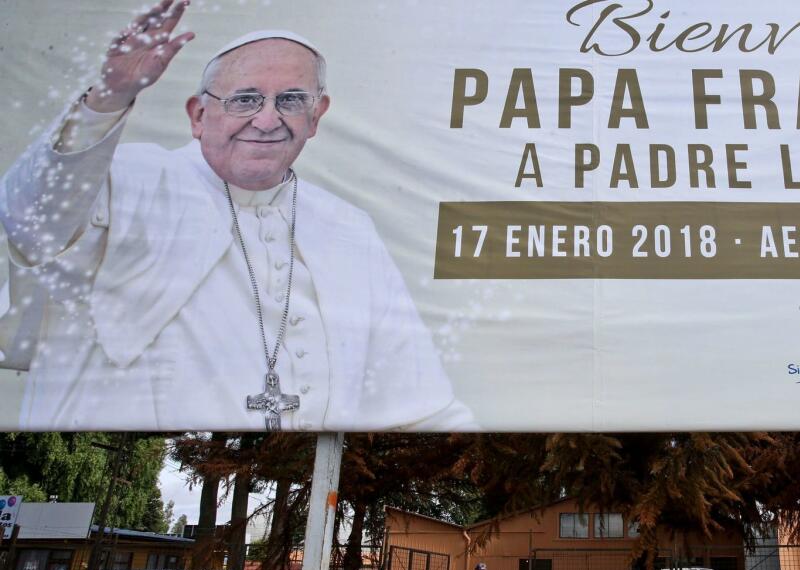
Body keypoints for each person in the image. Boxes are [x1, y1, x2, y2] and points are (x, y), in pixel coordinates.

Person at [0, 0, 474, 431]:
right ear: (198, 115)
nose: (267, 121)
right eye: (245, 99)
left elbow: (420, 401)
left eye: (291, 100)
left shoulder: (349, 229)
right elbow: (31, 222)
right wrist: (106, 99)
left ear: (316, 116)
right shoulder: (125, 178)